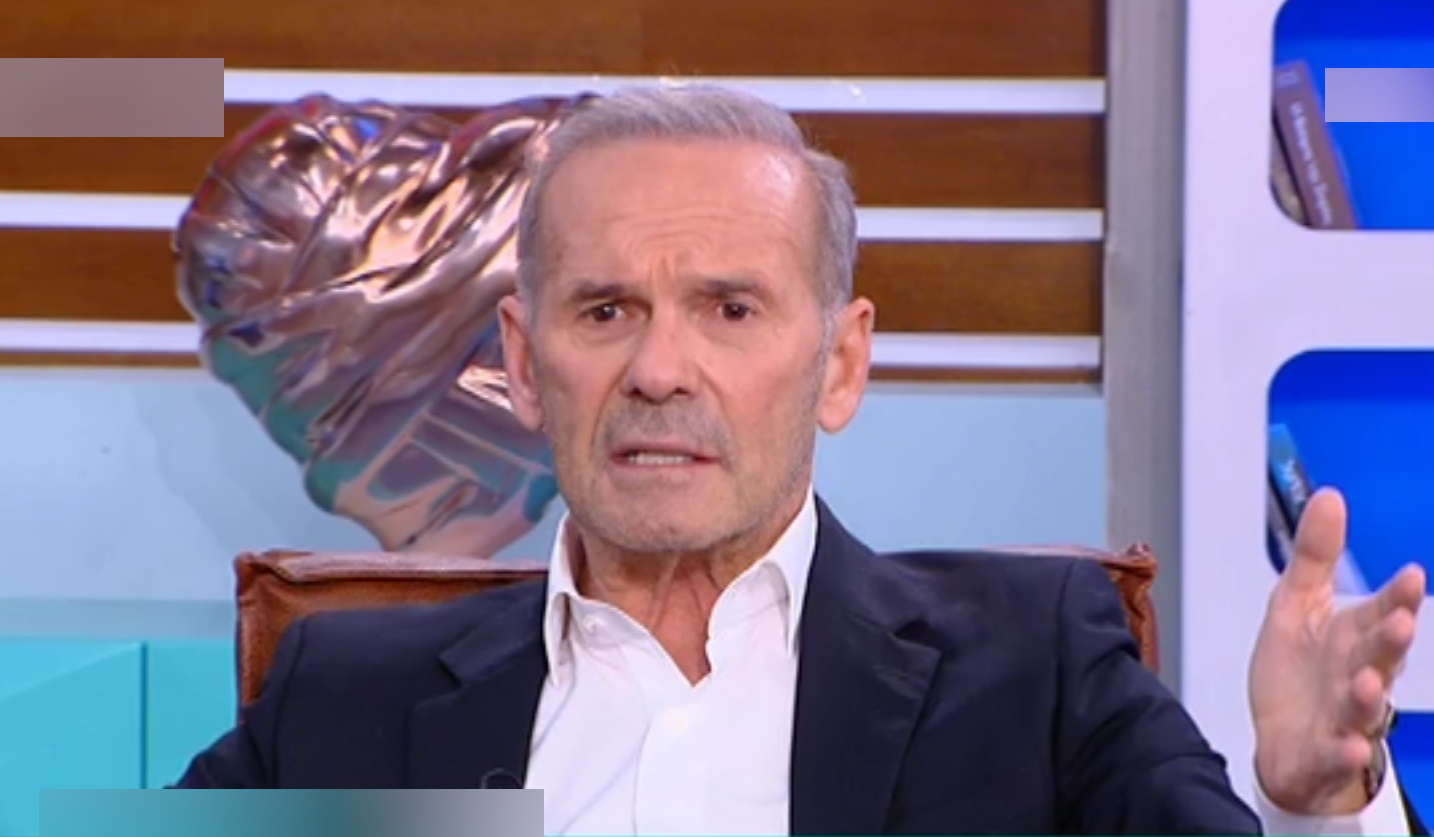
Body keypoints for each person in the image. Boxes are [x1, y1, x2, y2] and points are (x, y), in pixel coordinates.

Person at [173, 85, 1427, 835]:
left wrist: (1319, 806)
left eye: (730, 309)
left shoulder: (1038, 668)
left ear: (840, 363)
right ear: (523, 361)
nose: (660, 369)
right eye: (605, 310)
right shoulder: (348, 698)